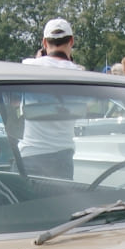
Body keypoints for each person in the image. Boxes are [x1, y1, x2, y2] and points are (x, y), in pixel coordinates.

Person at [19, 18, 82, 177]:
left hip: (32, 155)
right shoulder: (79, 73)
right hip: (63, 156)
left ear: (44, 42)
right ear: (71, 41)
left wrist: (38, 58)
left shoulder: (28, 66)